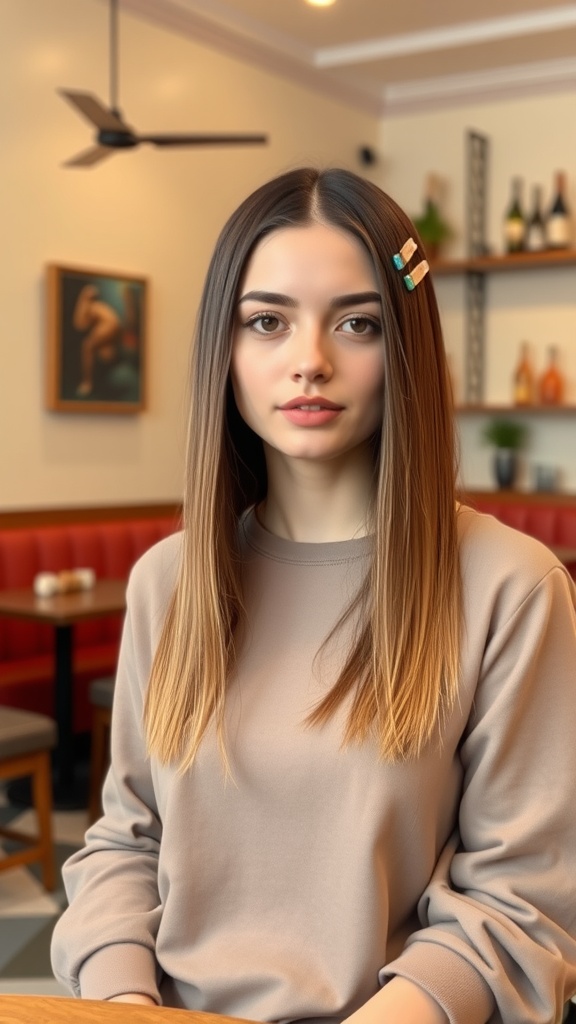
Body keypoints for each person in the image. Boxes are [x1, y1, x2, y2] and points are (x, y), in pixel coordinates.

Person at [51, 168, 576, 1024]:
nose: (309, 361)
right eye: (267, 321)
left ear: (404, 343)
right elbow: (127, 837)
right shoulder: (167, 581)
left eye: (358, 323)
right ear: (225, 347)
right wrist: (126, 1005)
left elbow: (523, 901)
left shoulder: (513, 588)